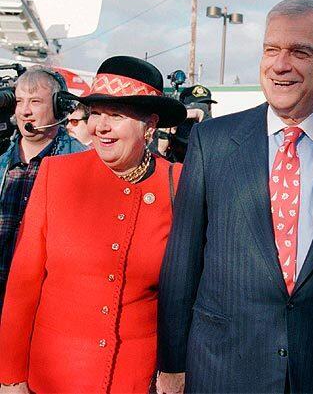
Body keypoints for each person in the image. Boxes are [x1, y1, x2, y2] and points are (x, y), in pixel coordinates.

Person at [158, 0, 313, 394]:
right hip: (221, 369)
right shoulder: (211, 142)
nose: (280, 65)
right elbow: (182, 263)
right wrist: (172, 365)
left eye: (300, 52)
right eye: (271, 50)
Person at [0, 56, 186, 393]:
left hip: (136, 379)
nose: (100, 126)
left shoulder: (177, 183)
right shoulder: (56, 175)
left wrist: (176, 369)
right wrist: (11, 377)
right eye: (96, 113)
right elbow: (22, 284)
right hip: (54, 377)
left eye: (115, 115)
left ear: (150, 124)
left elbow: (189, 292)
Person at [0, 66, 86, 313]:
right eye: (19, 101)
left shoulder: (81, 161)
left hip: (47, 305)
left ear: (60, 107)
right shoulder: (3, 160)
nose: (25, 111)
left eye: (35, 101)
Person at [150, 84, 215, 163]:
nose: (205, 110)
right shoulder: (170, 131)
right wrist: (161, 145)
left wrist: (202, 117)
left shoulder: (212, 134)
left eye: (207, 106)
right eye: (198, 105)